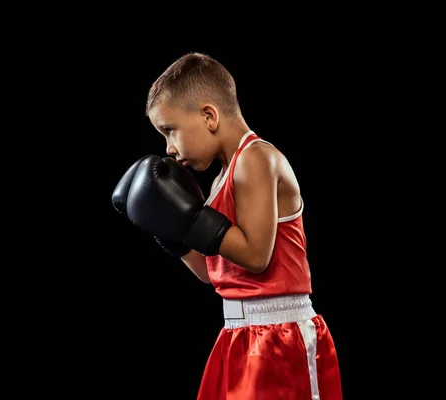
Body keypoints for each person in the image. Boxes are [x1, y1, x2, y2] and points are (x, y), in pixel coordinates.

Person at [112, 52, 342, 400]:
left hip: (282, 335)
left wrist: (190, 218)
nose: (169, 148)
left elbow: (255, 256)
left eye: (170, 130)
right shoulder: (222, 177)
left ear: (209, 115)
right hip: (238, 332)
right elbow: (211, 271)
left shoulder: (257, 158)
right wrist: (172, 235)